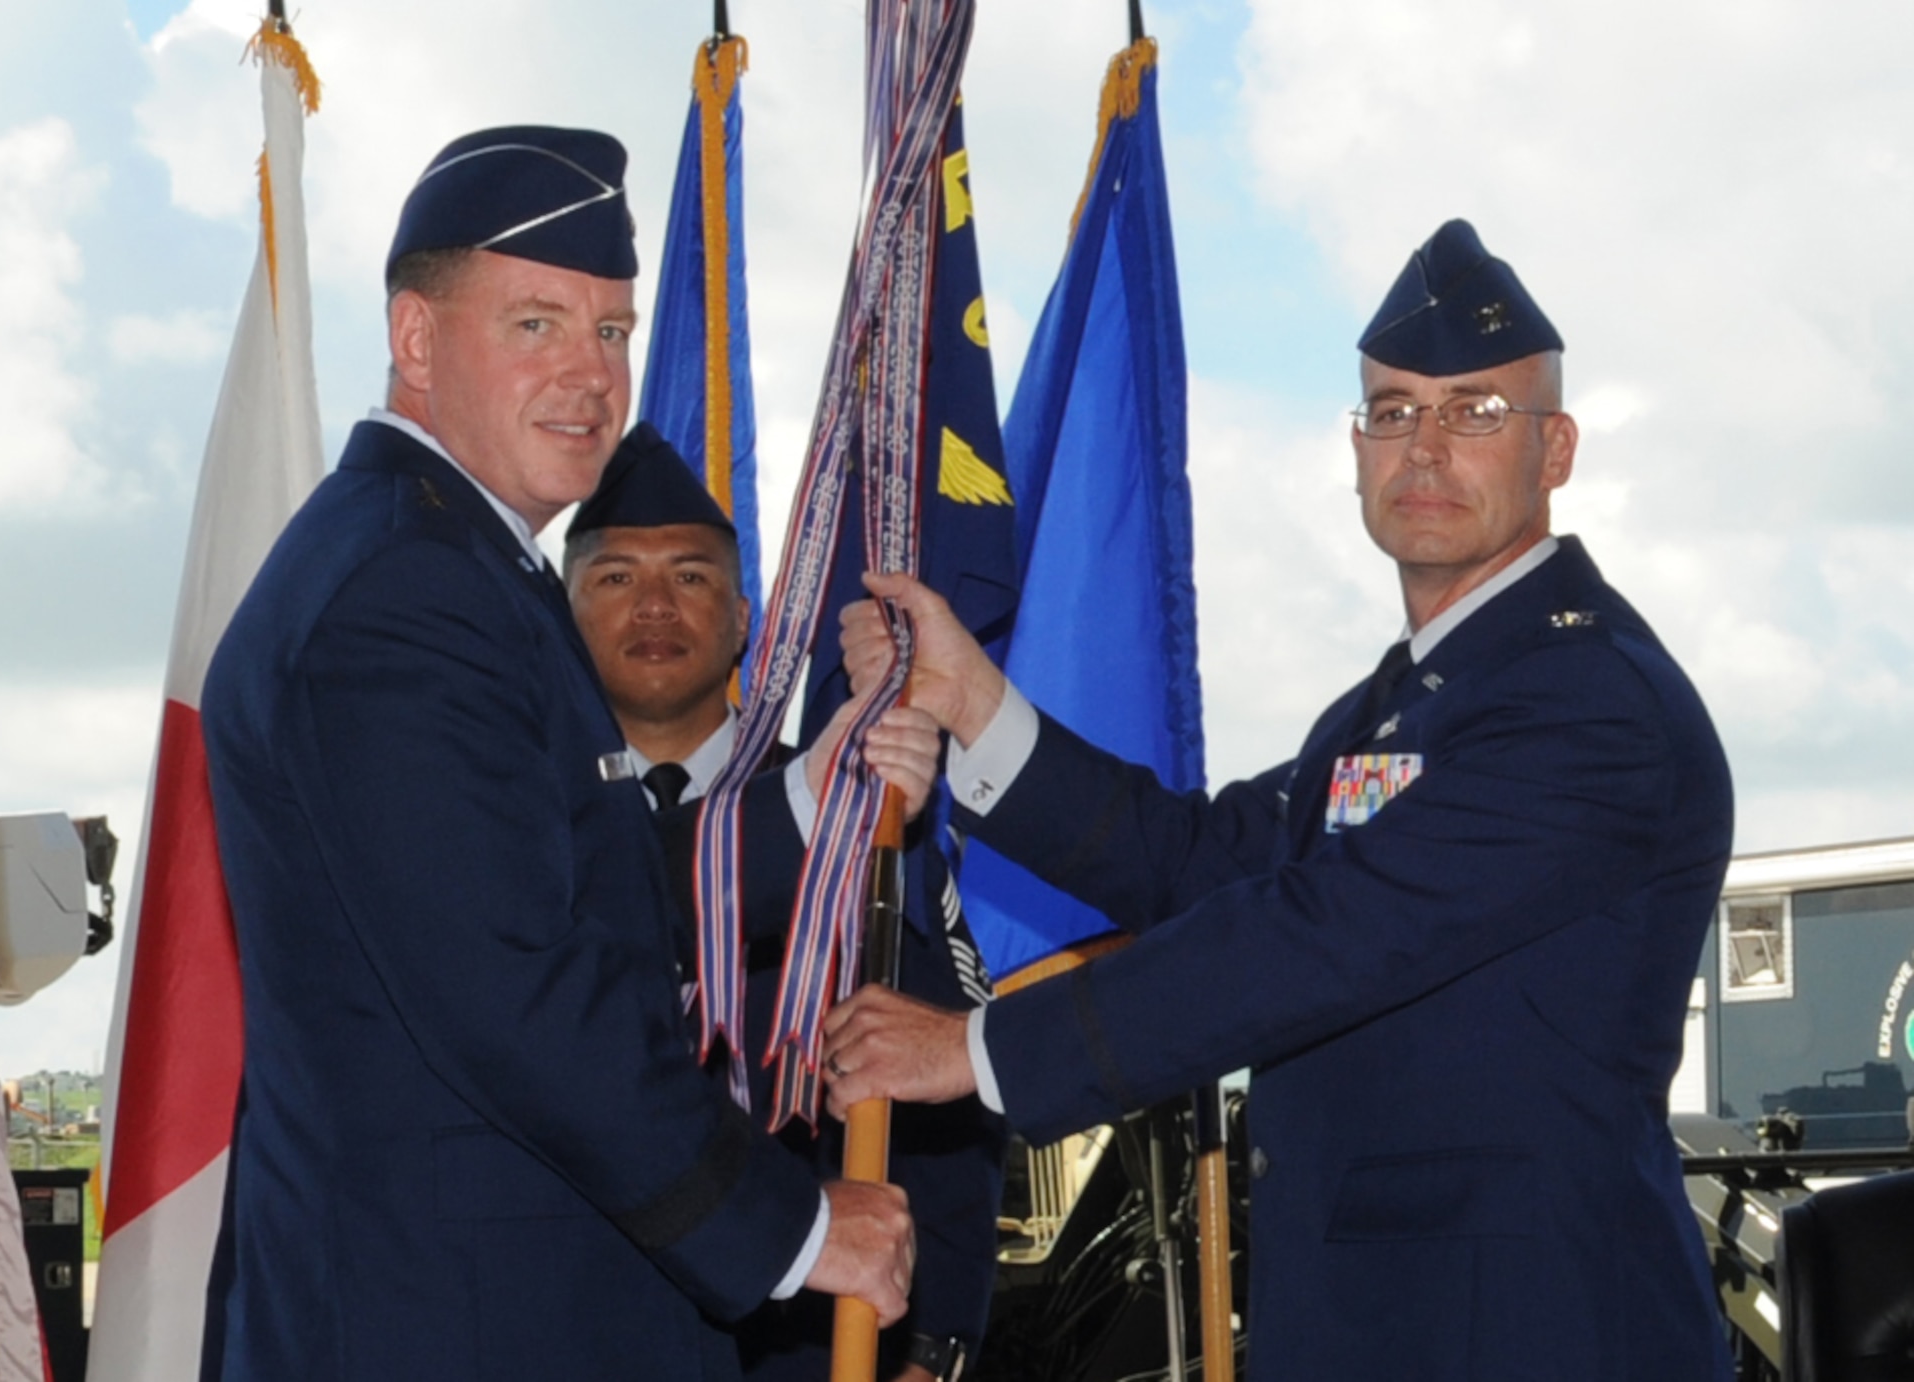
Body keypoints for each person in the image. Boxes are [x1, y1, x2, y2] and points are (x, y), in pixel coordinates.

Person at [822, 219, 1735, 1381]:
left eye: (1476, 413)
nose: (1425, 447)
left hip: (1527, 1329)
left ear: (1553, 450)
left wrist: (979, 1047)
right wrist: (976, 702)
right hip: (1378, 1326)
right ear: (1355, 447)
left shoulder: (1587, 704)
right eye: (1393, 411)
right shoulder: (1395, 704)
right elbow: (1205, 862)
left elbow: (1318, 935)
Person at [200, 126, 914, 1382]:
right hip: (455, 1324)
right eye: (536, 323)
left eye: (613, 331)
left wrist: (812, 795)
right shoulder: (403, 592)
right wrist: (792, 1225)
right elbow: (517, 989)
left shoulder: (449, 564)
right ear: (415, 339)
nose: (590, 374)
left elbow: (567, 884)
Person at [563, 423, 1006, 1382]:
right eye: (613, 578)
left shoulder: (858, 819)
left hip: (810, 1348)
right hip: (575, 1329)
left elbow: (942, 1097)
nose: (652, 606)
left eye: (689, 577)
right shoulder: (522, 826)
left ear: (745, 621)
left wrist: (934, 1349)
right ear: (562, 617)